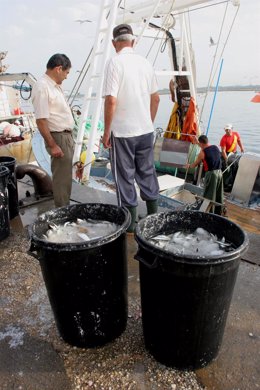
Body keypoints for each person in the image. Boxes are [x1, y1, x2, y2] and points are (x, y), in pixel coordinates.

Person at [102, 24, 160, 232]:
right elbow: (156, 99)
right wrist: (148, 122)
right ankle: (153, 218)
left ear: (113, 43)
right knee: (147, 172)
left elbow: (111, 100)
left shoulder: (115, 63)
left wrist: (106, 131)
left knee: (125, 177)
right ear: (133, 42)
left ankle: (129, 225)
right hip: (145, 131)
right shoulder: (145, 63)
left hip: (123, 132)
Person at [32, 53, 75, 208]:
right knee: (61, 180)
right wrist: (52, 145)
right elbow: (41, 120)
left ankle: (65, 209)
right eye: (66, 72)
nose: (66, 76)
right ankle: (63, 214)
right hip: (58, 138)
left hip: (65, 136)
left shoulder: (53, 86)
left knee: (66, 177)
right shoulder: (43, 87)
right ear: (58, 69)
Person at [186, 135, 224, 215]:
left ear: (201, 143)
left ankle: (208, 213)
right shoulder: (215, 147)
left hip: (211, 175)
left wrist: (188, 166)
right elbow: (205, 147)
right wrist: (197, 142)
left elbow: (194, 165)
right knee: (218, 194)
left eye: (199, 144)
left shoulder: (202, 153)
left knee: (209, 195)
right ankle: (219, 211)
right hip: (220, 173)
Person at [220, 123, 244, 191]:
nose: (227, 131)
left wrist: (241, 148)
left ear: (232, 129)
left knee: (234, 169)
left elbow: (239, 141)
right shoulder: (224, 139)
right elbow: (223, 151)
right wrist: (226, 160)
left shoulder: (236, 134)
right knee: (227, 170)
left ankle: (231, 185)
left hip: (234, 153)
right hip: (226, 154)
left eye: (229, 130)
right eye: (226, 130)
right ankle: (224, 185)